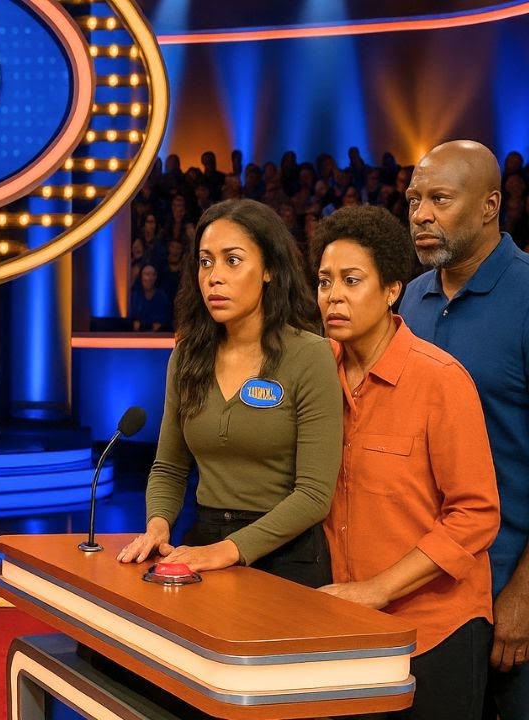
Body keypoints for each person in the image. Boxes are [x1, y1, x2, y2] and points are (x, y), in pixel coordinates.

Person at [313, 205, 499, 720]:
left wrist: (376, 590)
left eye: (352, 280)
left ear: (393, 290)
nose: (334, 296)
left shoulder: (440, 380)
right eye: (325, 281)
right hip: (346, 623)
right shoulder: (316, 375)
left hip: (436, 628)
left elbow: (476, 514)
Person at [117, 199, 342, 587]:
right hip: (204, 540)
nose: (214, 277)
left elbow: (313, 495)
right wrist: (157, 526)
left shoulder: (310, 355)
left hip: (287, 554)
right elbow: (169, 466)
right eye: (205, 262)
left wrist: (230, 549)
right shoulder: (187, 356)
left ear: (269, 269)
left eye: (232, 260)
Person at [397, 140, 529, 719]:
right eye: (414, 200)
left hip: (508, 586)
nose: (421, 214)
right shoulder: (410, 300)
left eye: (440, 199)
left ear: (489, 206)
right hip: (430, 592)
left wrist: (524, 595)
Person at [128, 263, 172, 331]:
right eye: (147, 274)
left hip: (158, 334)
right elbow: (131, 320)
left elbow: (166, 319)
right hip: (136, 334)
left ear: (156, 277)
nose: (150, 278)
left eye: (153, 274)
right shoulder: (134, 296)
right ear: (141, 277)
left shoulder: (162, 296)